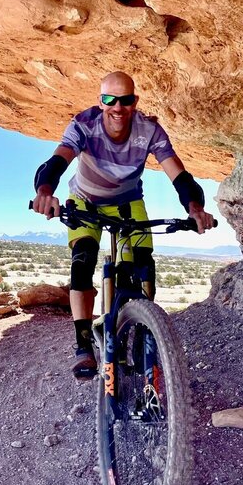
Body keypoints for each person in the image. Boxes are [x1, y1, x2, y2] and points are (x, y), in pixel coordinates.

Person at [31, 71, 215, 379]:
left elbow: (179, 175)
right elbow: (57, 161)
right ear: (100, 101)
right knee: (83, 260)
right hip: (85, 199)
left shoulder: (149, 131)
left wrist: (196, 209)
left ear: (135, 102)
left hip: (128, 202)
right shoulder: (84, 125)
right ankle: (83, 344)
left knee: (142, 265)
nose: (117, 107)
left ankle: (143, 328)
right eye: (109, 99)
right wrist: (45, 193)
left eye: (125, 100)